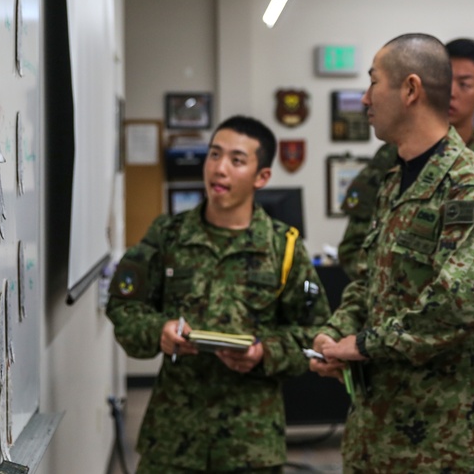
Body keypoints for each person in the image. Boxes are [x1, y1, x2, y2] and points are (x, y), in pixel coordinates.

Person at [311, 33, 474, 473]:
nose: (365, 98)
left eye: (373, 83)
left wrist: (362, 345)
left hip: (445, 443)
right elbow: (370, 281)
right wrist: (334, 335)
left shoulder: (471, 187)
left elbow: (459, 303)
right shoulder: (393, 183)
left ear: (410, 90)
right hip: (377, 431)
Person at [106, 115, 329, 473]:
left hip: (250, 443)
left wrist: (264, 351)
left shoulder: (283, 247)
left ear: (262, 177)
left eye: (236, 160)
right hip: (174, 438)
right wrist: (159, 332)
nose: (219, 169)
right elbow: (123, 306)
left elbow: (316, 334)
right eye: (214, 155)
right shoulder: (168, 235)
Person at [338, 38, 474, 302]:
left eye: (464, 84)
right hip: (391, 319)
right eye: (445, 78)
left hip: (470, 322)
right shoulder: (392, 159)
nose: (451, 91)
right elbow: (354, 246)